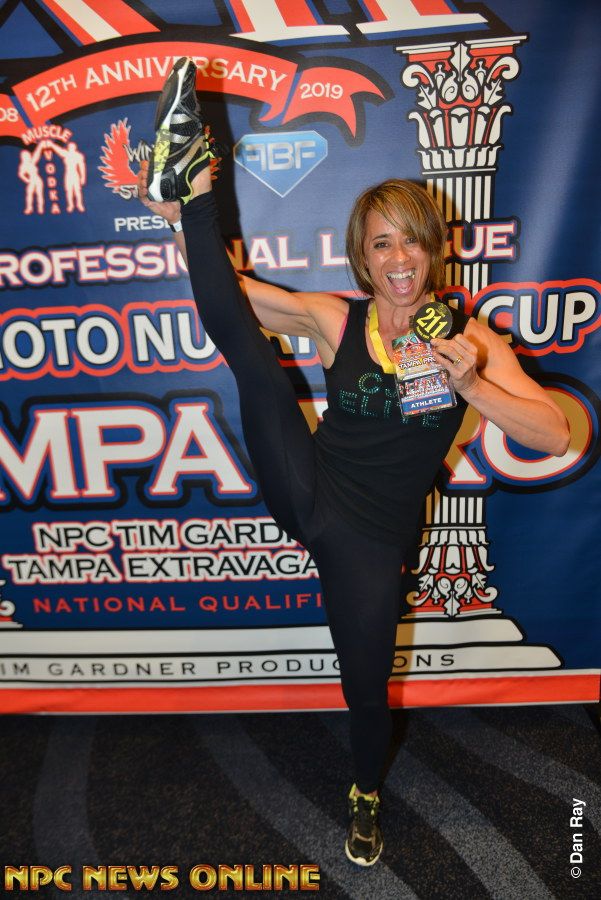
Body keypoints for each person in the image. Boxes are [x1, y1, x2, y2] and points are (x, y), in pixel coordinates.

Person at [138, 58, 570, 867]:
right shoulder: (335, 318)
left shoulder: (472, 341)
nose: (398, 257)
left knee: (365, 691)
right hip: (311, 489)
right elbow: (228, 297)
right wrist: (180, 220)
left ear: (431, 251)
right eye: (381, 243)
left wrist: (473, 387)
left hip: (371, 545)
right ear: (364, 259)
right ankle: (192, 179)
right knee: (255, 366)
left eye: (411, 240)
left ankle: (364, 792)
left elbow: (555, 436)